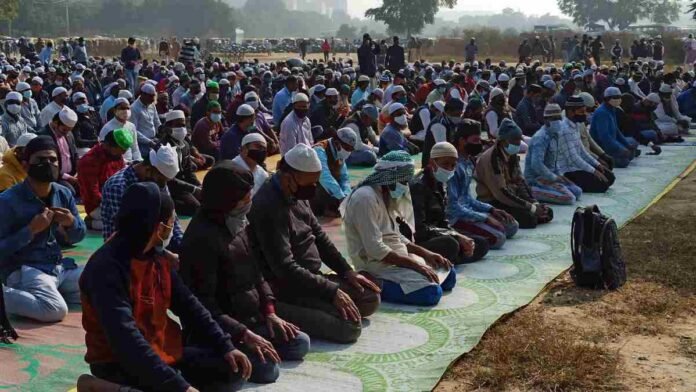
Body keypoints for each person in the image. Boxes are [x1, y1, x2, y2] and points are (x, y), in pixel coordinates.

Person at [80, 182, 249, 392]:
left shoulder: (156, 257)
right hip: (120, 362)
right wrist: (179, 387)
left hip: (163, 350)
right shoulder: (107, 268)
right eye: (171, 221)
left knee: (234, 369)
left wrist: (225, 345)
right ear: (159, 227)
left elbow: (190, 305)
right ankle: (96, 387)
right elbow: (126, 341)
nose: (173, 227)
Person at [180, 163, 310, 385]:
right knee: (267, 370)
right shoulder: (201, 240)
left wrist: (269, 312)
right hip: (222, 330)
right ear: (226, 201)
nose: (248, 203)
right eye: (243, 200)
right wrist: (243, 334)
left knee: (300, 342)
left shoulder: (238, 223)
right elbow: (205, 306)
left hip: (251, 318)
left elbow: (257, 271)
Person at [248, 144, 381, 344]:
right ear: (287, 176)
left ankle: (323, 303)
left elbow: (319, 236)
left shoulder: (297, 193)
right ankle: (282, 311)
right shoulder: (269, 207)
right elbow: (285, 268)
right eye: (309, 184)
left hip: (311, 278)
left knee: (370, 297)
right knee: (350, 328)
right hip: (288, 287)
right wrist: (331, 290)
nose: (313, 189)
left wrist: (346, 271)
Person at [342, 150, 455, 307]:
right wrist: (416, 265)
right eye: (403, 181)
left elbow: (396, 236)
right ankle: (374, 281)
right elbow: (375, 249)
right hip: (375, 263)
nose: (405, 186)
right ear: (390, 177)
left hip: (396, 257)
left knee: (449, 275)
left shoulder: (386, 194)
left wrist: (426, 254)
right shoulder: (365, 198)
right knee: (432, 293)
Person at [0, 136, 86, 322]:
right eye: (40, 160)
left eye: (53, 160)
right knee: (54, 310)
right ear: (25, 165)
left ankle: (46, 294)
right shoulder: (8, 201)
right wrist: (30, 231)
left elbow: (79, 235)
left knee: (103, 283)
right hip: (26, 268)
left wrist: (72, 223)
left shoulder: (63, 193)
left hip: (58, 267)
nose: (48, 164)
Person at [410, 142, 489, 264]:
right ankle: (445, 257)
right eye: (445, 164)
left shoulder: (440, 184)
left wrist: (457, 235)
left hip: (438, 234)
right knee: (451, 244)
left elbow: (443, 221)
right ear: (432, 163)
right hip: (421, 239)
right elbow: (420, 229)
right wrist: (455, 236)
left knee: (481, 243)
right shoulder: (418, 187)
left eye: (453, 165)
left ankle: (450, 258)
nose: (449, 169)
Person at [447, 120, 518, 249]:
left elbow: (467, 198)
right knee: (499, 238)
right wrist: (484, 218)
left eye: (479, 140)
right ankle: (457, 236)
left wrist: (491, 210)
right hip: (456, 217)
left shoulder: (468, 161)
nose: (479, 144)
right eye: (475, 141)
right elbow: (453, 207)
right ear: (462, 141)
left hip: (468, 211)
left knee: (512, 226)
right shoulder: (452, 165)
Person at [475, 119, 553, 229]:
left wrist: (534, 202)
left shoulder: (511, 154)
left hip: (511, 196)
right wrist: (531, 208)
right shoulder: (492, 159)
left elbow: (520, 180)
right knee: (529, 219)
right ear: (503, 140)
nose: (518, 143)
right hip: (493, 200)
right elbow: (501, 193)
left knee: (547, 212)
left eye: (519, 140)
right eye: (514, 140)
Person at [100, 144, 182, 248]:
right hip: (125, 247)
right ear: (148, 169)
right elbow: (129, 232)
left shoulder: (157, 181)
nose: (163, 186)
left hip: (153, 239)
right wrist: (164, 254)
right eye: (161, 181)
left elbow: (171, 216)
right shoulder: (118, 186)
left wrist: (182, 244)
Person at [524, 104, 583, 205]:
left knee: (577, 191)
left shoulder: (555, 135)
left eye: (559, 117)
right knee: (569, 198)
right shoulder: (540, 138)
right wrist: (554, 178)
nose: (558, 121)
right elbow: (536, 165)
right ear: (546, 120)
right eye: (554, 118)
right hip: (537, 178)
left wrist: (560, 176)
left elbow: (554, 163)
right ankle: (531, 191)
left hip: (551, 176)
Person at [77, 129, 132, 231]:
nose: (122, 154)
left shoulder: (116, 155)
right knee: (125, 225)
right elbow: (92, 193)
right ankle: (92, 223)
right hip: (98, 204)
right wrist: (115, 205)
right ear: (108, 145)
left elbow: (123, 178)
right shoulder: (89, 161)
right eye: (120, 150)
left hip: (116, 199)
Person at [559, 96, 614, 193]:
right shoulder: (564, 129)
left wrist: (596, 164)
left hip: (577, 165)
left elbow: (582, 150)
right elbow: (574, 158)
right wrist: (593, 171)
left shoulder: (576, 124)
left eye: (585, 111)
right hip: (568, 170)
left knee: (610, 177)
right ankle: (570, 183)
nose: (585, 114)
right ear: (571, 112)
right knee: (603, 185)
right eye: (581, 112)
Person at [159, 109, 204, 217]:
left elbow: (189, 172)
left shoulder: (185, 145)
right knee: (196, 208)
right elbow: (169, 179)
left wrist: (198, 186)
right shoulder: (164, 148)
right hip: (169, 187)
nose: (182, 128)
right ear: (169, 128)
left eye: (183, 125)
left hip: (183, 185)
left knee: (207, 198)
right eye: (178, 125)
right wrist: (193, 189)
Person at [310, 128, 356, 218]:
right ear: (337, 143)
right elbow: (324, 177)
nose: (348, 152)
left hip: (330, 190)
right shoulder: (319, 150)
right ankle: (325, 209)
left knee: (354, 191)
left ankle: (334, 207)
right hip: (314, 190)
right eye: (347, 148)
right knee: (328, 188)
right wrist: (341, 198)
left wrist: (346, 195)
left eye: (351, 150)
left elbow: (344, 178)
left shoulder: (340, 153)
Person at [590, 87, 638, 168]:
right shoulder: (602, 112)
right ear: (607, 99)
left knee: (632, 144)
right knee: (624, 161)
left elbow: (616, 131)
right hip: (602, 146)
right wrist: (620, 148)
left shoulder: (612, 109)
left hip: (612, 141)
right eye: (615, 97)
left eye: (619, 97)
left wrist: (627, 145)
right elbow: (604, 138)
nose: (618, 99)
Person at [37, 108, 79, 195]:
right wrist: (68, 178)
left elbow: (75, 153)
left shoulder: (68, 133)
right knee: (70, 192)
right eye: (64, 130)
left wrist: (78, 171)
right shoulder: (43, 136)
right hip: (56, 176)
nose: (67, 133)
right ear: (55, 123)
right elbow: (47, 165)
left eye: (69, 130)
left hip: (73, 174)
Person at [421, 98, 464, 166]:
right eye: (457, 114)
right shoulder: (439, 125)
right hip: (434, 162)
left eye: (460, 114)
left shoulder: (450, 121)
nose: (459, 117)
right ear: (448, 111)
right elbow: (443, 150)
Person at [98, 97, 141, 163]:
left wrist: (138, 160)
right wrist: (127, 163)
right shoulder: (107, 128)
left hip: (131, 163)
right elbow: (105, 152)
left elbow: (135, 147)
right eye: (122, 108)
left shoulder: (131, 126)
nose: (125, 111)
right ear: (115, 110)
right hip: (115, 164)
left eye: (128, 108)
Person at [130, 82, 161, 156]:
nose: (153, 99)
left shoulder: (152, 105)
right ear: (143, 94)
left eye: (153, 96)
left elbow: (157, 122)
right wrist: (149, 142)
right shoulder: (134, 108)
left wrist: (162, 129)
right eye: (150, 96)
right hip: (142, 144)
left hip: (153, 141)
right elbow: (134, 131)